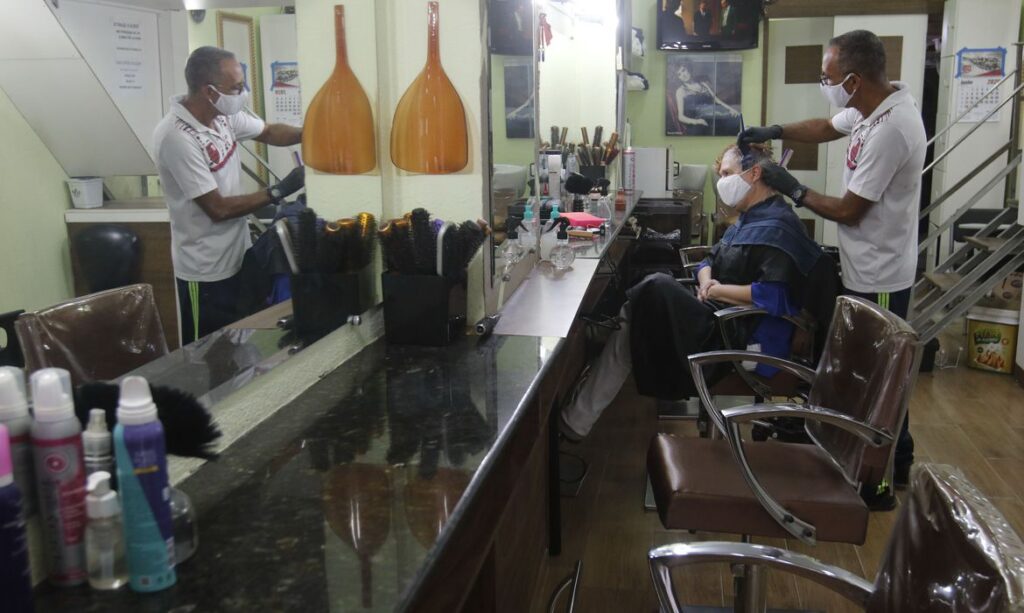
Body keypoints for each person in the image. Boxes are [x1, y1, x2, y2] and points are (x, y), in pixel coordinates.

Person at [737, 29, 925, 504]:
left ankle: (880, 482)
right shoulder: (868, 108)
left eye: (828, 77)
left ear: (854, 80)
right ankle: (892, 458)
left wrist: (793, 188)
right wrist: (773, 131)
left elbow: (849, 210)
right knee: (869, 373)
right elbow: (825, 127)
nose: (825, 84)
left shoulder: (892, 129)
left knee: (881, 378)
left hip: (882, 273)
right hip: (862, 261)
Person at [560, 145, 826, 441]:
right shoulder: (749, 218)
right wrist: (707, 280)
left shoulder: (778, 225)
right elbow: (708, 261)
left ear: (754, 174)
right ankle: (578, 417)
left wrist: (718, 289)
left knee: (653, 288)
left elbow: (775, 295)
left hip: (741, 334)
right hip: (717, 314)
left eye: (727, 174)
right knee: (643, 306)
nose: (722, 182)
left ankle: (578, 415)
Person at [154, 46, 305, 345]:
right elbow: (218, 208)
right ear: (209, 91)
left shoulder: (222, 116)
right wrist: (279, 190)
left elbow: (269, 132)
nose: (242, 93)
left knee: (239, 345)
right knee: (206, 353)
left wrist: (311, 132)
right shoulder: (177, 137)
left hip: (239, 256)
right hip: (205, 272)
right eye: (236, 87)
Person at [672, 62, 740, 134]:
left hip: (713, 116)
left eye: (683, 70)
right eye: (679, 74)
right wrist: (697, 121)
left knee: (736, 121)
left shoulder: (703, 84)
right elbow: (681, 117)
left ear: (688, 68)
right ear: (678, 78)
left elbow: (716, 100)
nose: (683, 75)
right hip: (698, 123)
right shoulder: (680, 91)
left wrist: (731, 109)